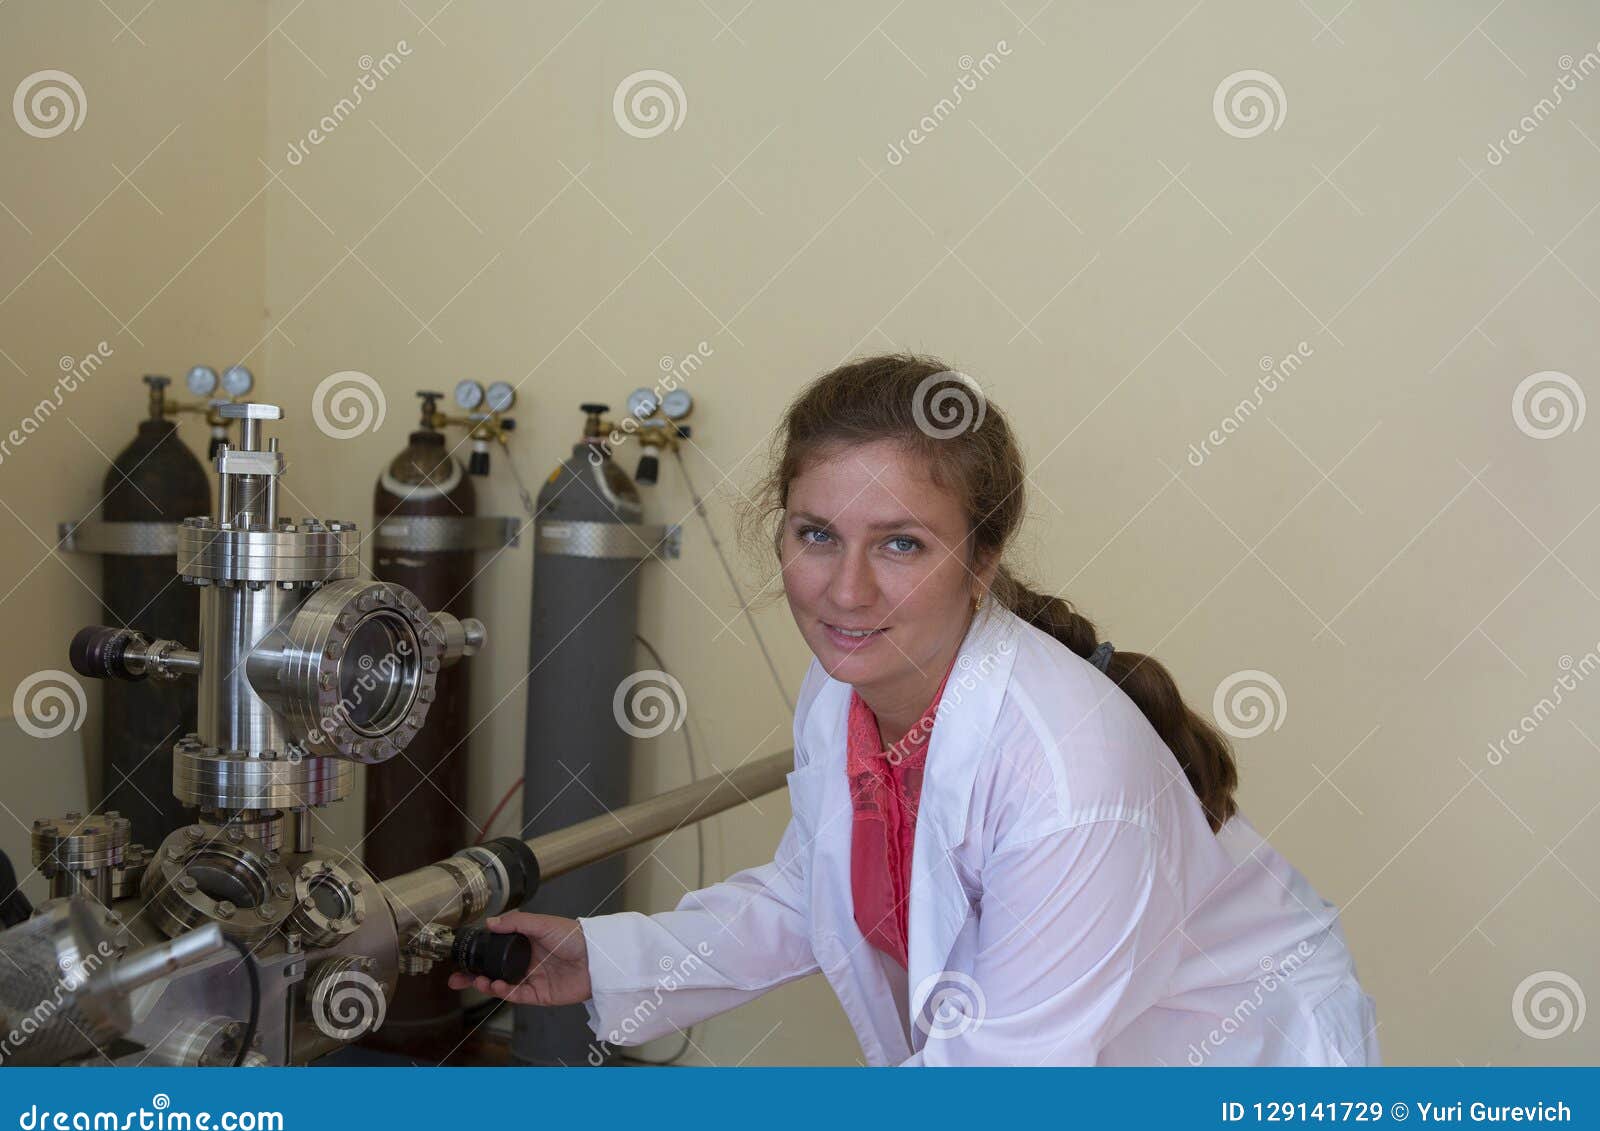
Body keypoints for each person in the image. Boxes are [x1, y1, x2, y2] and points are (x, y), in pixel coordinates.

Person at [450, 354, 1380, 1066]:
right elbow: (810, 892)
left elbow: (1003, 1085)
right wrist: (606, 960)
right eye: (818, 535)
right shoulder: (849, 690)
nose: (846, 590)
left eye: (901, 543)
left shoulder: (1066, 770)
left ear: (982, 564)